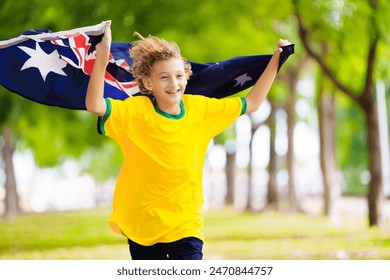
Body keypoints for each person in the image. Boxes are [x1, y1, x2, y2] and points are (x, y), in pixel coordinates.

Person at [86, 22, 291, 260]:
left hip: (186, 225)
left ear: (187, 76)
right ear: (149, 83)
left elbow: (252, 103)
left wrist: (277, 59)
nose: (174, 84)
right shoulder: (136, 112)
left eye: (179, 76)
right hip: (143, 226)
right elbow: (95, 105)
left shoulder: (200, 110)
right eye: (164, 77)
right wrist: (102, 56)